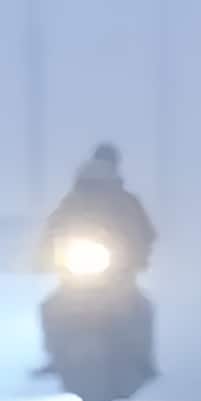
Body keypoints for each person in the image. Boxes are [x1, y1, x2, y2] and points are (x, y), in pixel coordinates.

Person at [38, 143, 157, 377]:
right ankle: (54, 355)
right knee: (51, 306)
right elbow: (51, 230)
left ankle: (143, 359)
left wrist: (137, 255)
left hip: (117, 274)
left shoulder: (125, 202)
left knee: (141, 308)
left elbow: (146, 233)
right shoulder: (73, 202)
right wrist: (45, 254)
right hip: (76, 275)